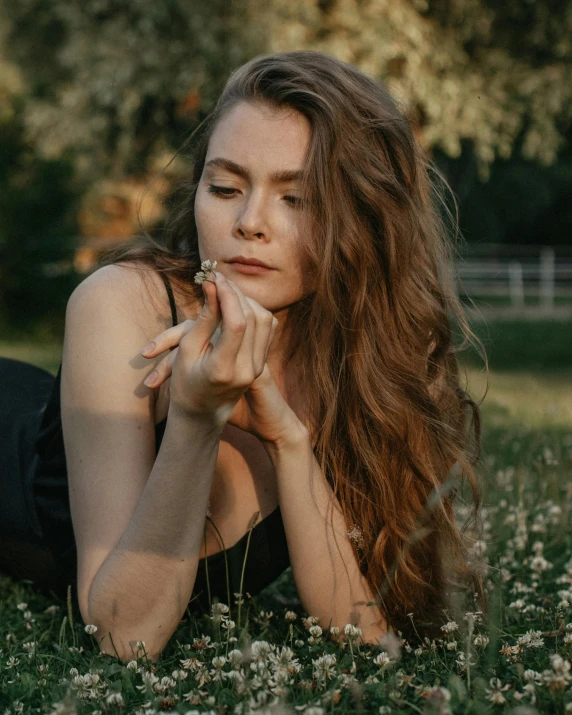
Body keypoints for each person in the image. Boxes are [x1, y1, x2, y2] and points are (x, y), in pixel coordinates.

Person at [0, 50, 489, 662]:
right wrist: (195, 421)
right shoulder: (122, 307)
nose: (249, 221)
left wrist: (289, 440)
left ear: (364, 217)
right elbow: (125, 634)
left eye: (298, 199)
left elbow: (365, 633)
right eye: (226, 187)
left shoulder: (370, 352)